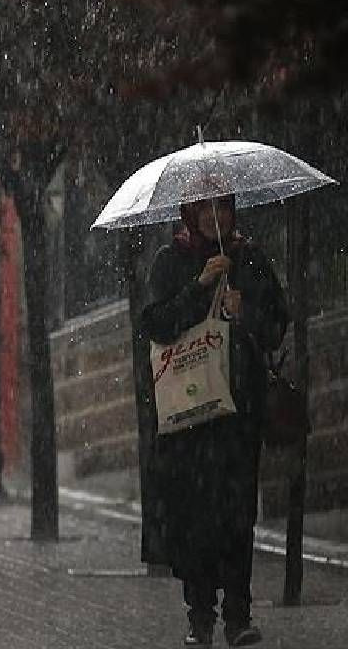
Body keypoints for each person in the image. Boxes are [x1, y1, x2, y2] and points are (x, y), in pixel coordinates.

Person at [139, 196, 289, 648]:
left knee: (238, 513)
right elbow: (157, 324)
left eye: (220, 207)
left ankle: (238, 615)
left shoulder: (249, 258)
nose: (212, 216)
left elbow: (277, 326)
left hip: (238, 413)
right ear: (188, 213)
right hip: (190, 417)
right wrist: (199, 287)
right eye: (202, 208)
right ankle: (199, 615)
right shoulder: (172, 261)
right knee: (195, 517)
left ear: (232, 210)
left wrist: (246, 313)